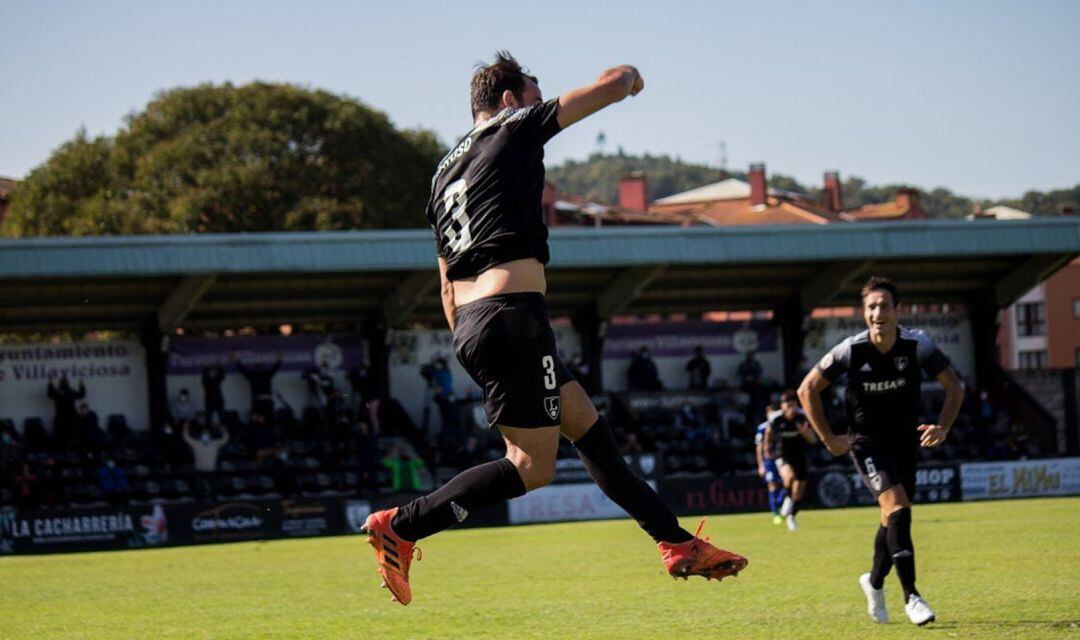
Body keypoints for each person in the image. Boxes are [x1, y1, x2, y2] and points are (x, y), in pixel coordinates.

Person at [361, 52, 746, 606]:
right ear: (511, 100)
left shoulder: (443, 173)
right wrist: (630, 78)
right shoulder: (513, 128)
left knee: (590, 432)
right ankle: (402, 526)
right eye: (535, 96)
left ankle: (676, 541)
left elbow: (446, 284)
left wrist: (478, 341)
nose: (541, 106)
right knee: (530, 467)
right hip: (512, 317)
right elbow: (612, 86)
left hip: (476, 322)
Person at [798, 276, 963, 626]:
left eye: (884, 306)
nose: (878, 312)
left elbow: (954, 388)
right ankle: (912, 596)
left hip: (905, 443)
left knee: (891, 517)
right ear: (864, 313)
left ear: (897, 310)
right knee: (899, 507)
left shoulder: (918, 346)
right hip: (866, 443)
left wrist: (943, 427)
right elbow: (807, 389)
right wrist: (828, 438)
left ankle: (873, 583)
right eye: (871, 307)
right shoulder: (851, 350)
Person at [764, 390, 816, 531]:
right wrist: (767, 448)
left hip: (799, 455)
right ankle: (787, 499)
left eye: (792, 404)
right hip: (782, 454)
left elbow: (813, 439)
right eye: (787, 404)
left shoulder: (802, 417)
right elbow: (768, 432)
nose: (789, 408)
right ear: (782, 405)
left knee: (799, 489)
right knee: (789, 477)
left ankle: (791, 516)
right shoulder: (776, 418)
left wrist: (805, 433)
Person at [754, 404, 785, 525]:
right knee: (772, 486)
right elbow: (759, 447)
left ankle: (780, 504)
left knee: (787, 484)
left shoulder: (781, 425)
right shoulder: (762, 428)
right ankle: (776, 514)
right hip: (769, 462)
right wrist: (761, 465)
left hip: (781, 458)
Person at [46, 373, 85, 447]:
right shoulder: (71, 392)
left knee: (60, 438)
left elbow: (50, 393)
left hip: (61, 418)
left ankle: (63, 451)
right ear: (68, 383)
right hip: (71, 418)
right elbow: (81, 395)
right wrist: (81, 384)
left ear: (60, 383)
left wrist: (50, 383)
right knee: (70, 437)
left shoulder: (57, 393)